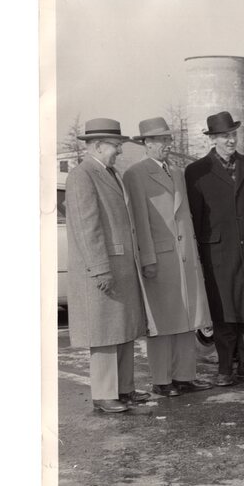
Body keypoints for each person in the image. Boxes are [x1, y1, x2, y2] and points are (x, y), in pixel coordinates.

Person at [185, 111, 244, 386]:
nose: (231, 140)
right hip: (217, 254)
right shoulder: (197, 172)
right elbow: (194, 217)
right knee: (224, 312)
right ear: (213, 139)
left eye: (233, 135)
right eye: (225, 136)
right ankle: (225, 368)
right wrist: (199, 256)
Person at [65, 118, 153, 413]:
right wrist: (100, 268)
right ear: (98, 145)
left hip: (121, 266)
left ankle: (124, 389)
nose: (119, 151)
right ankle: (104, 394)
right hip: (103, 267)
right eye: (115, 146)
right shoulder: (82, 175)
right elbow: (87, 227)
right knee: (104, 333)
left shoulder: (110, 172)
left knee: (123, 329)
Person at [123, 117, 213, 398]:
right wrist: (148, 259)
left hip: (184, 256)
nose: (167, 145)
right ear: (146, 144)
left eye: (168, 140)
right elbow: (138, 219)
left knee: (186, 319)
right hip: (160, 258)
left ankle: (185, 376)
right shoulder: (135, 174)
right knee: (162, 322)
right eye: (161, 140)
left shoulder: (177, 172)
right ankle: (162, 380)